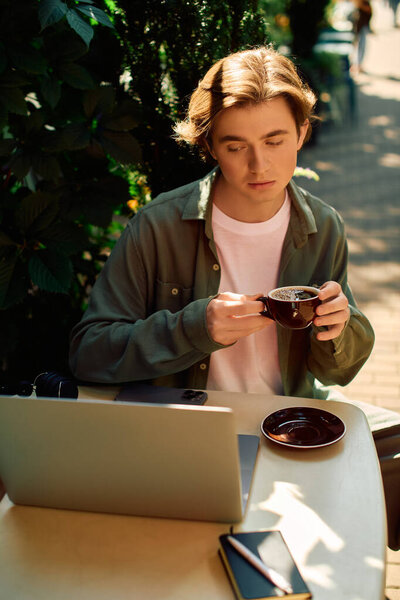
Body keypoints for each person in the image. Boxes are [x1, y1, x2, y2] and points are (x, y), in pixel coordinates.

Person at [69, 46, 374, 402]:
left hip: (288, 421)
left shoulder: (324, 226)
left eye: (274, 141)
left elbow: (335, 373)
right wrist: (195, 328)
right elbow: (87, 354)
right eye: (236, 147)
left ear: (302, 133)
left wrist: (339, 328)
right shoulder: (157, 227)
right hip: (186, 427)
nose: (259, 165)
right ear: (210, 146)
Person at [351, 0, 373, 74]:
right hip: (359, 24)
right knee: (358, 45)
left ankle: (358, 64)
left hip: (362, 24)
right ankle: (356, 64)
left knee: (361, 45)